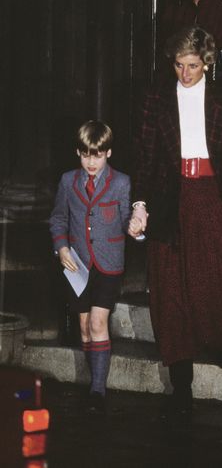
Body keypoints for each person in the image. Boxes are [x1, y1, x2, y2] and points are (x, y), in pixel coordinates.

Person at [128, 26, 222, 423]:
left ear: (208, 63)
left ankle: (220, 340)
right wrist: (140, 205)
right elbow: (146, 158)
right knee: (171, 291)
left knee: (219, 275)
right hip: (171, 196)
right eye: (180, 65)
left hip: (209, 193)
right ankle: (181, 383)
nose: (185, 74)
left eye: (194, 66)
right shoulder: (156, 98)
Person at [49, 120, 133, 412]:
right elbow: (58, 218)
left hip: (109, 265)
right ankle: (94, 375)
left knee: (98, 323)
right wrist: (61, 248)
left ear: (108, 153)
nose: (91, 162)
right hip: (76, 265)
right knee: (85, 327)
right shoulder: (67, 181)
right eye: (85, 155)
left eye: (97, 155)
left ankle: (98, 389)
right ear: (78, 152)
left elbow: (126, 221)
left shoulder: (121, 182)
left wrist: (136, 227)